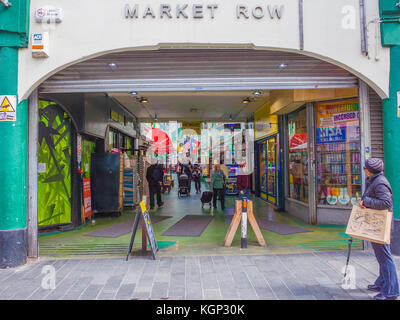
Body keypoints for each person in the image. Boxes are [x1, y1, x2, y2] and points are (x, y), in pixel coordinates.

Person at [360, 158, 399, 300]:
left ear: (370, 170)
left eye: (365, 168)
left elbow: (385, 202)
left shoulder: (380, 182)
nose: (364, 170)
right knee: (381, 256)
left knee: (385, 257)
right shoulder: (373, 180)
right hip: (377, 224)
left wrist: (367, 201)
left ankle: (390, 291)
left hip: (382, 226)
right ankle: (382, 282)